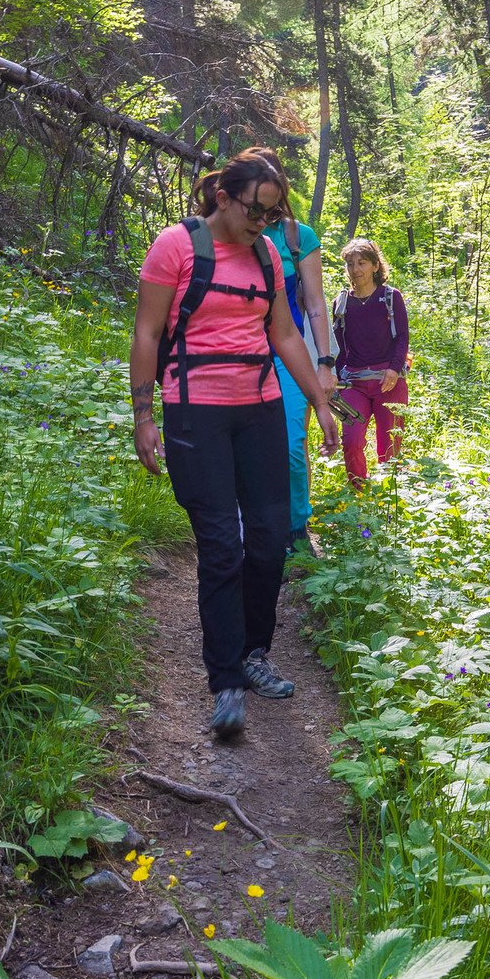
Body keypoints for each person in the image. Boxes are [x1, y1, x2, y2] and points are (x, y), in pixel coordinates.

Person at [130, 157, 341, 740]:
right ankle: (225, 681)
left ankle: (255, 654)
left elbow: (284, 333)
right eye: (257, 209)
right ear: (223, 196)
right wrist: (144, 415)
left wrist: (320, 401)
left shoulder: (269, 255)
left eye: (274, 212)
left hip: (260, 408)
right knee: (222, 545)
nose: (265, 221)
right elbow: (147, 333)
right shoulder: (175, 247)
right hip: (196, 410)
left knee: (271, 540)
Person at [254, 162, 334, 554]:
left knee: (291, 441)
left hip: (290, 353)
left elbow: (316, 301)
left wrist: (325, 361)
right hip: (242, 352)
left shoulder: (297, 236)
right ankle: (255, 527)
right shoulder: (234, 231)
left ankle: (297, 529)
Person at [333, 236, 410, 486]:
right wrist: (336, 376)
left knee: (389, 446)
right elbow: (338, 348)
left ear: (376, 266)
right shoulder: (341, 303)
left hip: (389, 382)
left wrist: (394, 369)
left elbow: (402, 337)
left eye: (362, 263)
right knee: (352, 440)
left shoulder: (390, 297)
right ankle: (357, 495)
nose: (356, 270)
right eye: (351, 264)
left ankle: (388, 500)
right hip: (354, 384)